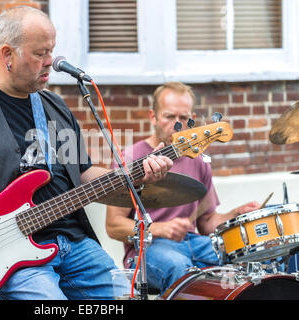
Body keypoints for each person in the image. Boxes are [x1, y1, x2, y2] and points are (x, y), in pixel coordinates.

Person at [0, 6, 173, 300]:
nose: (51, 62)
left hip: (72, 241)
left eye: (52, 51)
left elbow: (83, 173)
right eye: (40, 53)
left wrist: (136, 173)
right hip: (9, 252)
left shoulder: (55, 107)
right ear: (7, 55)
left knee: (126, 298)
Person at [105, 82, 261, 295]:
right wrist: (159, 229)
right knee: (180, 269)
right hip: (149, 249)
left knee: (249, 258)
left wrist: (235, 215)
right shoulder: (130, 157)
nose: (176, 124)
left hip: (194, 242)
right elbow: (113, 226)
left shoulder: (198, 159)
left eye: (183, 118)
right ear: (153, 116)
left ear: (192, 119)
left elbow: (206, 222)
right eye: (169, 117)